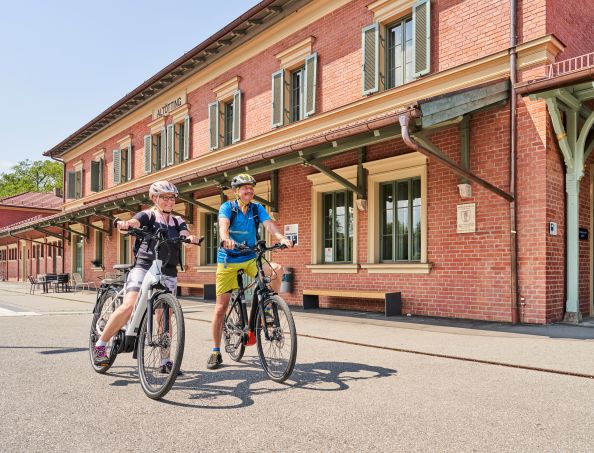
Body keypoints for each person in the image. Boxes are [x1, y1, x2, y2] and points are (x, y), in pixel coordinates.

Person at [92, 180, 202, 373]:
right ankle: (101, 345)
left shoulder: (177, 221)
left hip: (168, 269)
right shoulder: (148, 215)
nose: (170, 201)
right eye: (165, 197)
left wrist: (190, 239)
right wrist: (126, 224)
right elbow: (134, 222)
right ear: (154, 198)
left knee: (165, 315)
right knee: (129, 305)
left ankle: (165, 361)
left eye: (172, 197)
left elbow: (185, 235)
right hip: (144, 266)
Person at [207, 173, 294, 370]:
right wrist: (226, 238)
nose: (249, 190)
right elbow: (223, 225)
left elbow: (269, 224)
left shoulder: (257, 208)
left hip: (250, 258)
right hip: (229, 259)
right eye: (244, 188)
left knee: (276, 270)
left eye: (251, 187)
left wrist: (280, 237)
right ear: (236, 191)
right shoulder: (227, 207)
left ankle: (268, 308)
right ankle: (215, 350)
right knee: (221, 308)